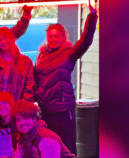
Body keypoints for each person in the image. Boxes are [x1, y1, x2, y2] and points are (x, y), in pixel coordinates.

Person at [34, 0, 98, 154]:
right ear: (47, 38)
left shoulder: (68, 53)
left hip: (63, 111)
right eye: (50, 36)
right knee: (48, 147)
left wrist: (92, 16)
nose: (53, 39)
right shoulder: (41, 56)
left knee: (66, 147)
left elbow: (85, 41)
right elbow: (36, 81)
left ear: (63, 37)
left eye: (57, 36)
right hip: (45, 110)